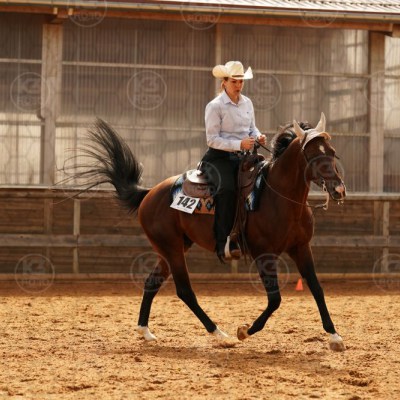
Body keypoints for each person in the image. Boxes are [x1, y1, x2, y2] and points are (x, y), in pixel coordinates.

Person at [200, 61, 267, 263]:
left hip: (242, 157)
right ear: (225, 82)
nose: (238, 85)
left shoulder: (247, 103)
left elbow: (252, 128)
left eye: (241, 81)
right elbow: (212, 140)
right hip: (218, 158)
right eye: (234, 81)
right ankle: (223, 243)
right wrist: (240, 144)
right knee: (228, 190)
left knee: (265, 181)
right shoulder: (215, 106)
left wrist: (258, 136)